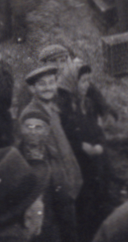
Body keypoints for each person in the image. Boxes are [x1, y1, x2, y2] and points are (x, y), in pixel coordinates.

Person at [58, 62, 120, 242]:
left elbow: (97, 129)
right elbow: (64, 137)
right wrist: (81, 146)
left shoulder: (88, 103)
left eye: (88, 81)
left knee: (100, 200)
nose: (87, 85)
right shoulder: (64, 108)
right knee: (84, 208)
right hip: (78, 164)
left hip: (95, 161)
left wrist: (100, 144)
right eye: (83, 81)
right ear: (72, 82)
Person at [16, 109, 79, 242]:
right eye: (28, 127)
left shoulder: (55, 156)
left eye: (38, 127)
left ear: (47, 131)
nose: (33, 132)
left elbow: (63, 195)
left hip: (50, 226)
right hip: (22, 226)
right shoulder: (13, 157)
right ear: (21, 129)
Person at [19, 64, 83, 201]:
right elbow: (35, 161)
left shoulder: (52, 110)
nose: (48, 88)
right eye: (42, 84)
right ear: (32, 89)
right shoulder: (33, 116)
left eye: (51, 82)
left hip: (67, 184)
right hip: (53, 189)